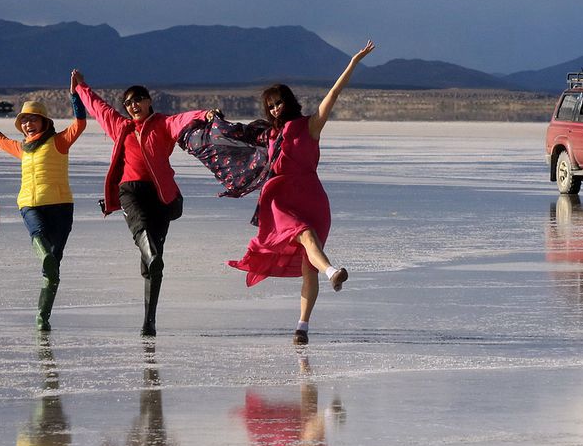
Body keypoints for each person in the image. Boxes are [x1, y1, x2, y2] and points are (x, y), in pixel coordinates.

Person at [228, 41, 374, 345]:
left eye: (278, 103)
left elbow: (334, 94)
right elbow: (235, 135)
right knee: (305, 235)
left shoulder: (310, 126)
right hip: (281, 199)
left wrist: (353, 63)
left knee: (309, 266)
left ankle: (302, 327)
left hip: (312, 197)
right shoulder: (268, 134)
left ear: (289, 102)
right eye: (270, 106)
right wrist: (211, 119)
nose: (275, 109)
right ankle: (333, 272)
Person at [70, 70, 215, 336]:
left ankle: (149, 320)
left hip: (160, 194)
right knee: (142, 230)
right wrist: (81, 88)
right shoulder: (121, 126)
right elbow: (99, 108)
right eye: (128, 103)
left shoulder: (163, 124)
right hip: (130, 190)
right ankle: (152, 256)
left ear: (148, 101)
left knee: (152, 264)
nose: (133, 105)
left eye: (137, 99)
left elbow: (183, 120)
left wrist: (204, 114)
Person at [0, 81, 87, 331]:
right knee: (38, 236)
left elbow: (80, 123)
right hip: (29, 204)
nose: (28, 124)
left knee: (53, 269)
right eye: (24, 121)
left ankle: (42, 317)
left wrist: (74, 94)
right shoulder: (22, 148)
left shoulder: (59, 141)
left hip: (60, 205)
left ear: (44, 122)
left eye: (33, 119)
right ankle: (44, 255)